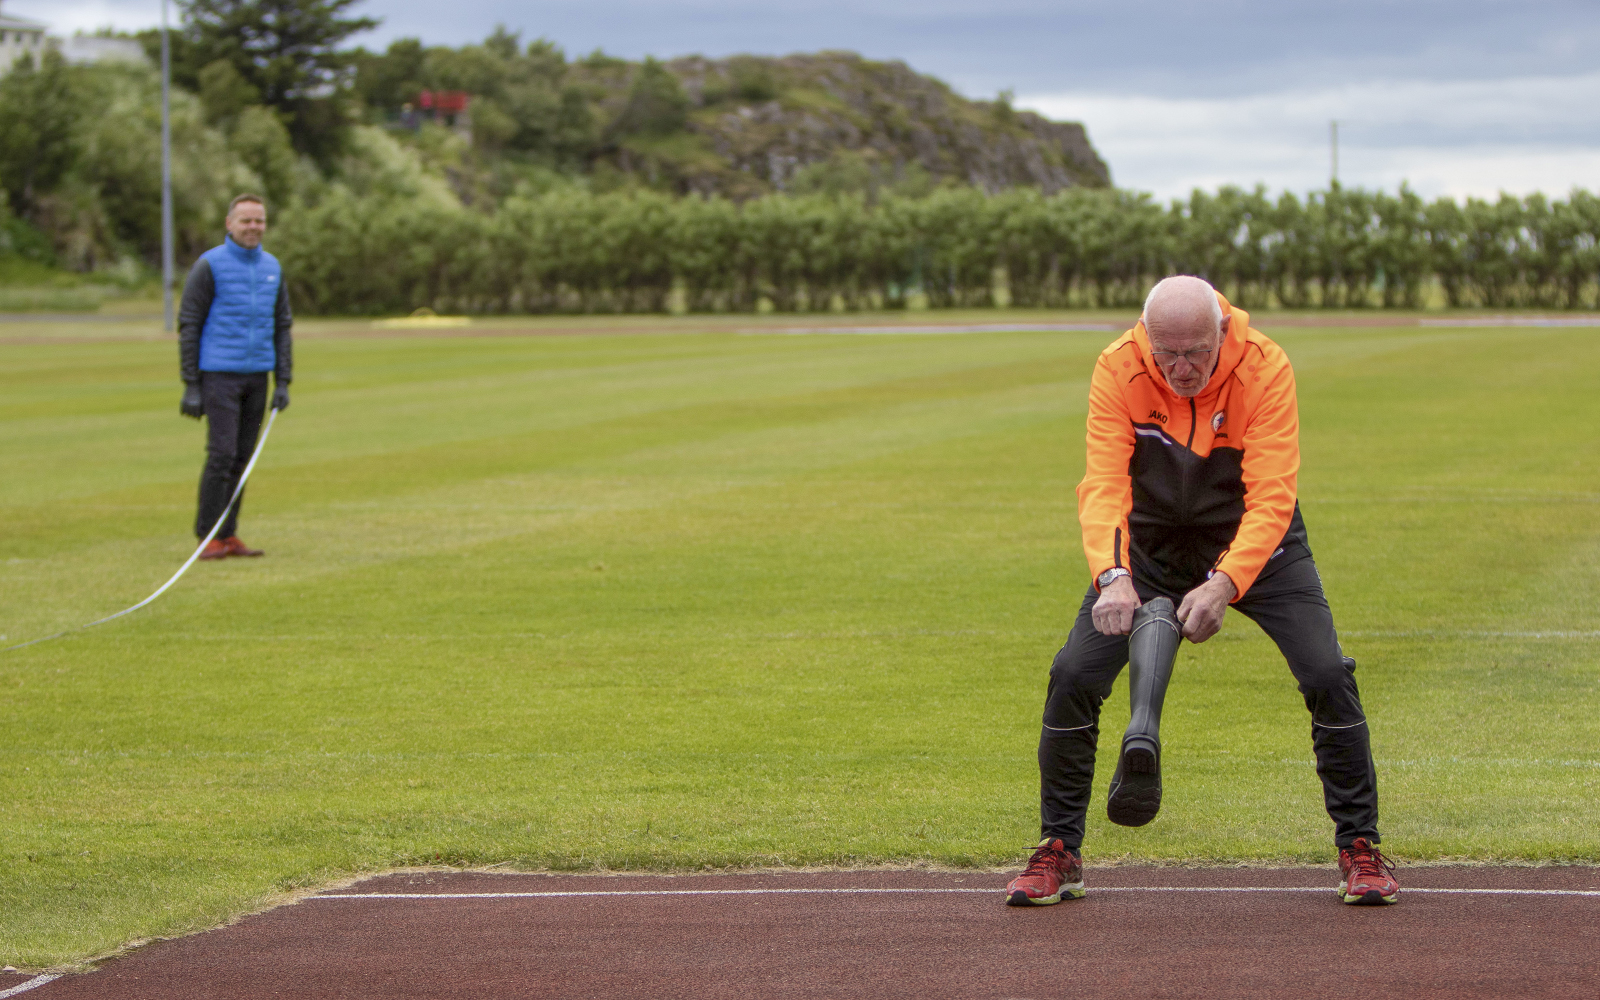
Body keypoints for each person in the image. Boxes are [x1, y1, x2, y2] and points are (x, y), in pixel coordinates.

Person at [1004, 275, 1398, 907]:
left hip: (1251, 537)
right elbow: (1103, 482)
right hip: (1150, 543)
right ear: (1146, 337)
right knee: (1074, 673)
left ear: (1221, 331)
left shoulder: (1265, 365)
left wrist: (1225, 581)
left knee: (1326, 670)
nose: (1182, 368)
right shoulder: (1118, 366)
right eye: (1168, 354)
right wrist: (1113, 576)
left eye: (1196, 353)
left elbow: (1273, 496)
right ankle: (1059, 851)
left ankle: (1361, 848)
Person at [178, 194, 292, 560]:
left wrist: (284, 380)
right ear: (230, 224)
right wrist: (191, 384)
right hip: (219, 375)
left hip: (258, 376)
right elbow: (190, 324)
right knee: (222, 455)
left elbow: (282, 325)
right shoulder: (209, 265)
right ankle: (207, 535)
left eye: (259, 220)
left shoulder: (273, 267)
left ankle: (228, 535)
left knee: (243, 457)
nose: (253, 227)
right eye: (246, 221)